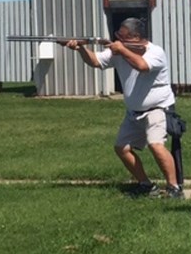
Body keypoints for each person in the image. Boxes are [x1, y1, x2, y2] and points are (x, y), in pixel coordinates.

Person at [62, 18, 184, 199]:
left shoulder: (155, 52)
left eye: (122, 33)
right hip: (133, 111)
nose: (117, 35)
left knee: (156, 145)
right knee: (122, 148)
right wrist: (80, 48)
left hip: (157, 108)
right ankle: (146, 185)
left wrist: (122, 50)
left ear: (135, 36)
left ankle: (174, 188)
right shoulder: (118, 51)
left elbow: (142, 66)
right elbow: (95, 61)